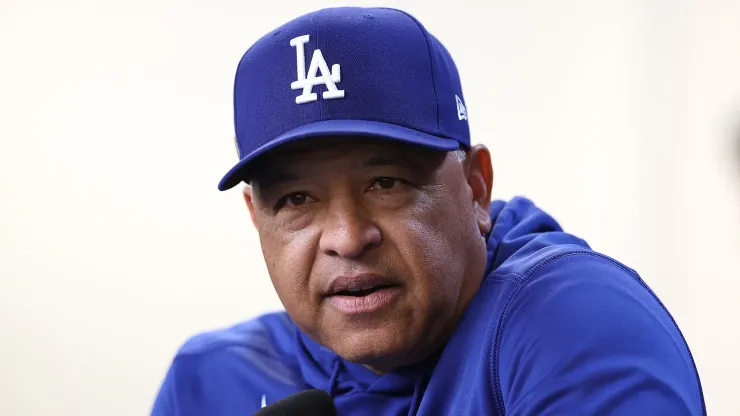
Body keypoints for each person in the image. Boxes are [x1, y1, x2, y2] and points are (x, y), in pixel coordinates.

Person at [151, 6, 705, 415]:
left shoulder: (574, 322)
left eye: (384, 182)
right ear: (256, 217)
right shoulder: (210, 381)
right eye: (297, 200)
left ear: (476, 188)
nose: (346, 237)